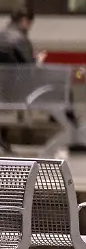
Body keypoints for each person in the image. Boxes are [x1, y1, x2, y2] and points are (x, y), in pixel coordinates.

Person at [0, 9, 46, 153]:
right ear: (25, 21)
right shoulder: (20, 39)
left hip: (3, 91)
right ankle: (74, 131)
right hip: (15, 93)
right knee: (65, 92)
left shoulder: (2, 36)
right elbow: (30, 69)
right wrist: (38, 60)